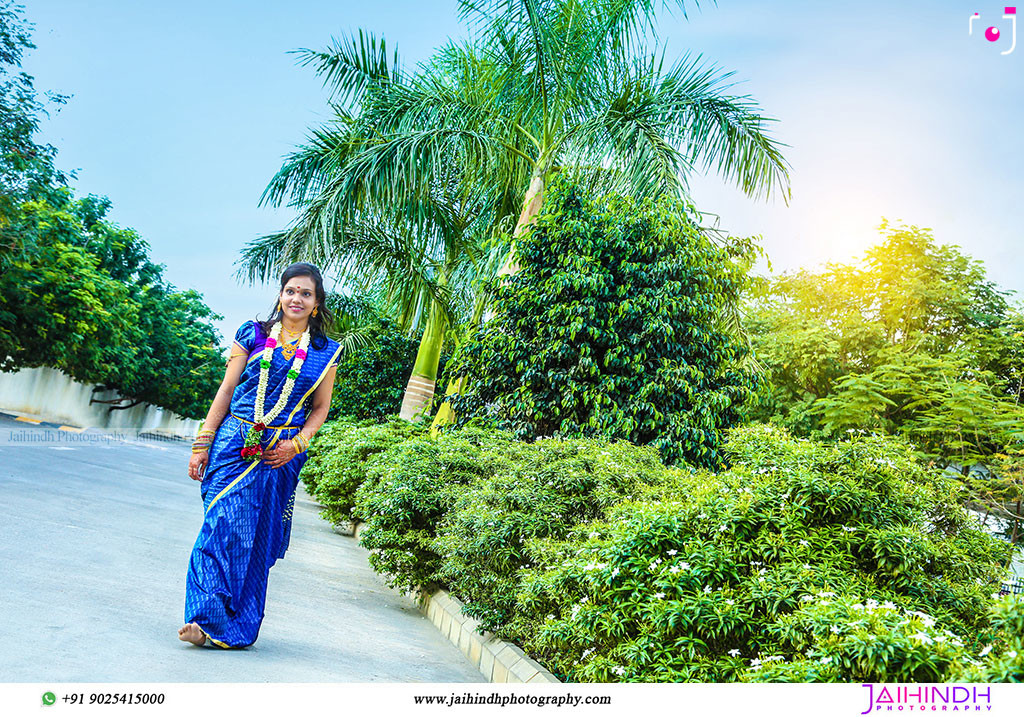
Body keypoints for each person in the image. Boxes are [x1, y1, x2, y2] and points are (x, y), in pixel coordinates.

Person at [178, 262, 341, 648]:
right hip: (234, 441)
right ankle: (204, 616)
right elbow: (227, 388)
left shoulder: (324, 353)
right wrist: (204, 440)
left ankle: (229, 626)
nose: (296, 298)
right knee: (220, 526)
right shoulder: (251, 334)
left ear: (316, 304)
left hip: (280, 454)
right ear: (280, 295)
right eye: (290, 291)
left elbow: (320, 409)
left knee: (254, 540)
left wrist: (297, 444)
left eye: (306, 293)